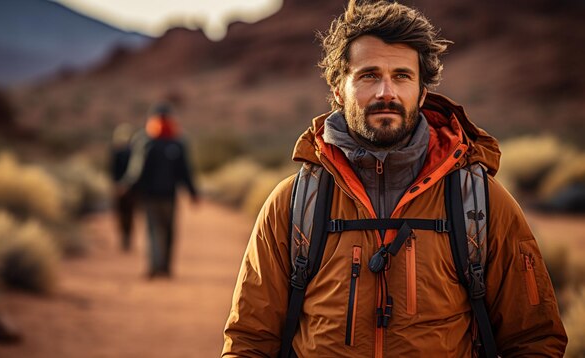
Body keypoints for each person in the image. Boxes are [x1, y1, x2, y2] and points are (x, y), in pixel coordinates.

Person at [222, 1, 567, 357]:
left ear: (421, 92)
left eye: (401, 76)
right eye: (369, 75)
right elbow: (249, 340)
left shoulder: (479, 203)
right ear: (339, 89)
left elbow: (534, 339)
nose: (386, 92)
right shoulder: (294, 205)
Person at [123, 103, 198, 278]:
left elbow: (137, 170)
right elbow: (185, 171)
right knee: (168, 230)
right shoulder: (177, 141)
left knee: (153, 230)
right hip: (168, 196)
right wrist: (192, 192)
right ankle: (164, 267)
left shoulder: (145, 141)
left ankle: (156, 266)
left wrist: (129, 187)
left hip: (150, 196)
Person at [110, 123, 137, 252]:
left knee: (125, 214)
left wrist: (120, 184)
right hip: (127, 188)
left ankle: (126, 238)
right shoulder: (127, 152)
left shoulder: (123, 152)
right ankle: (126, 238)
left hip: (125, 187)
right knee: (126, 214)